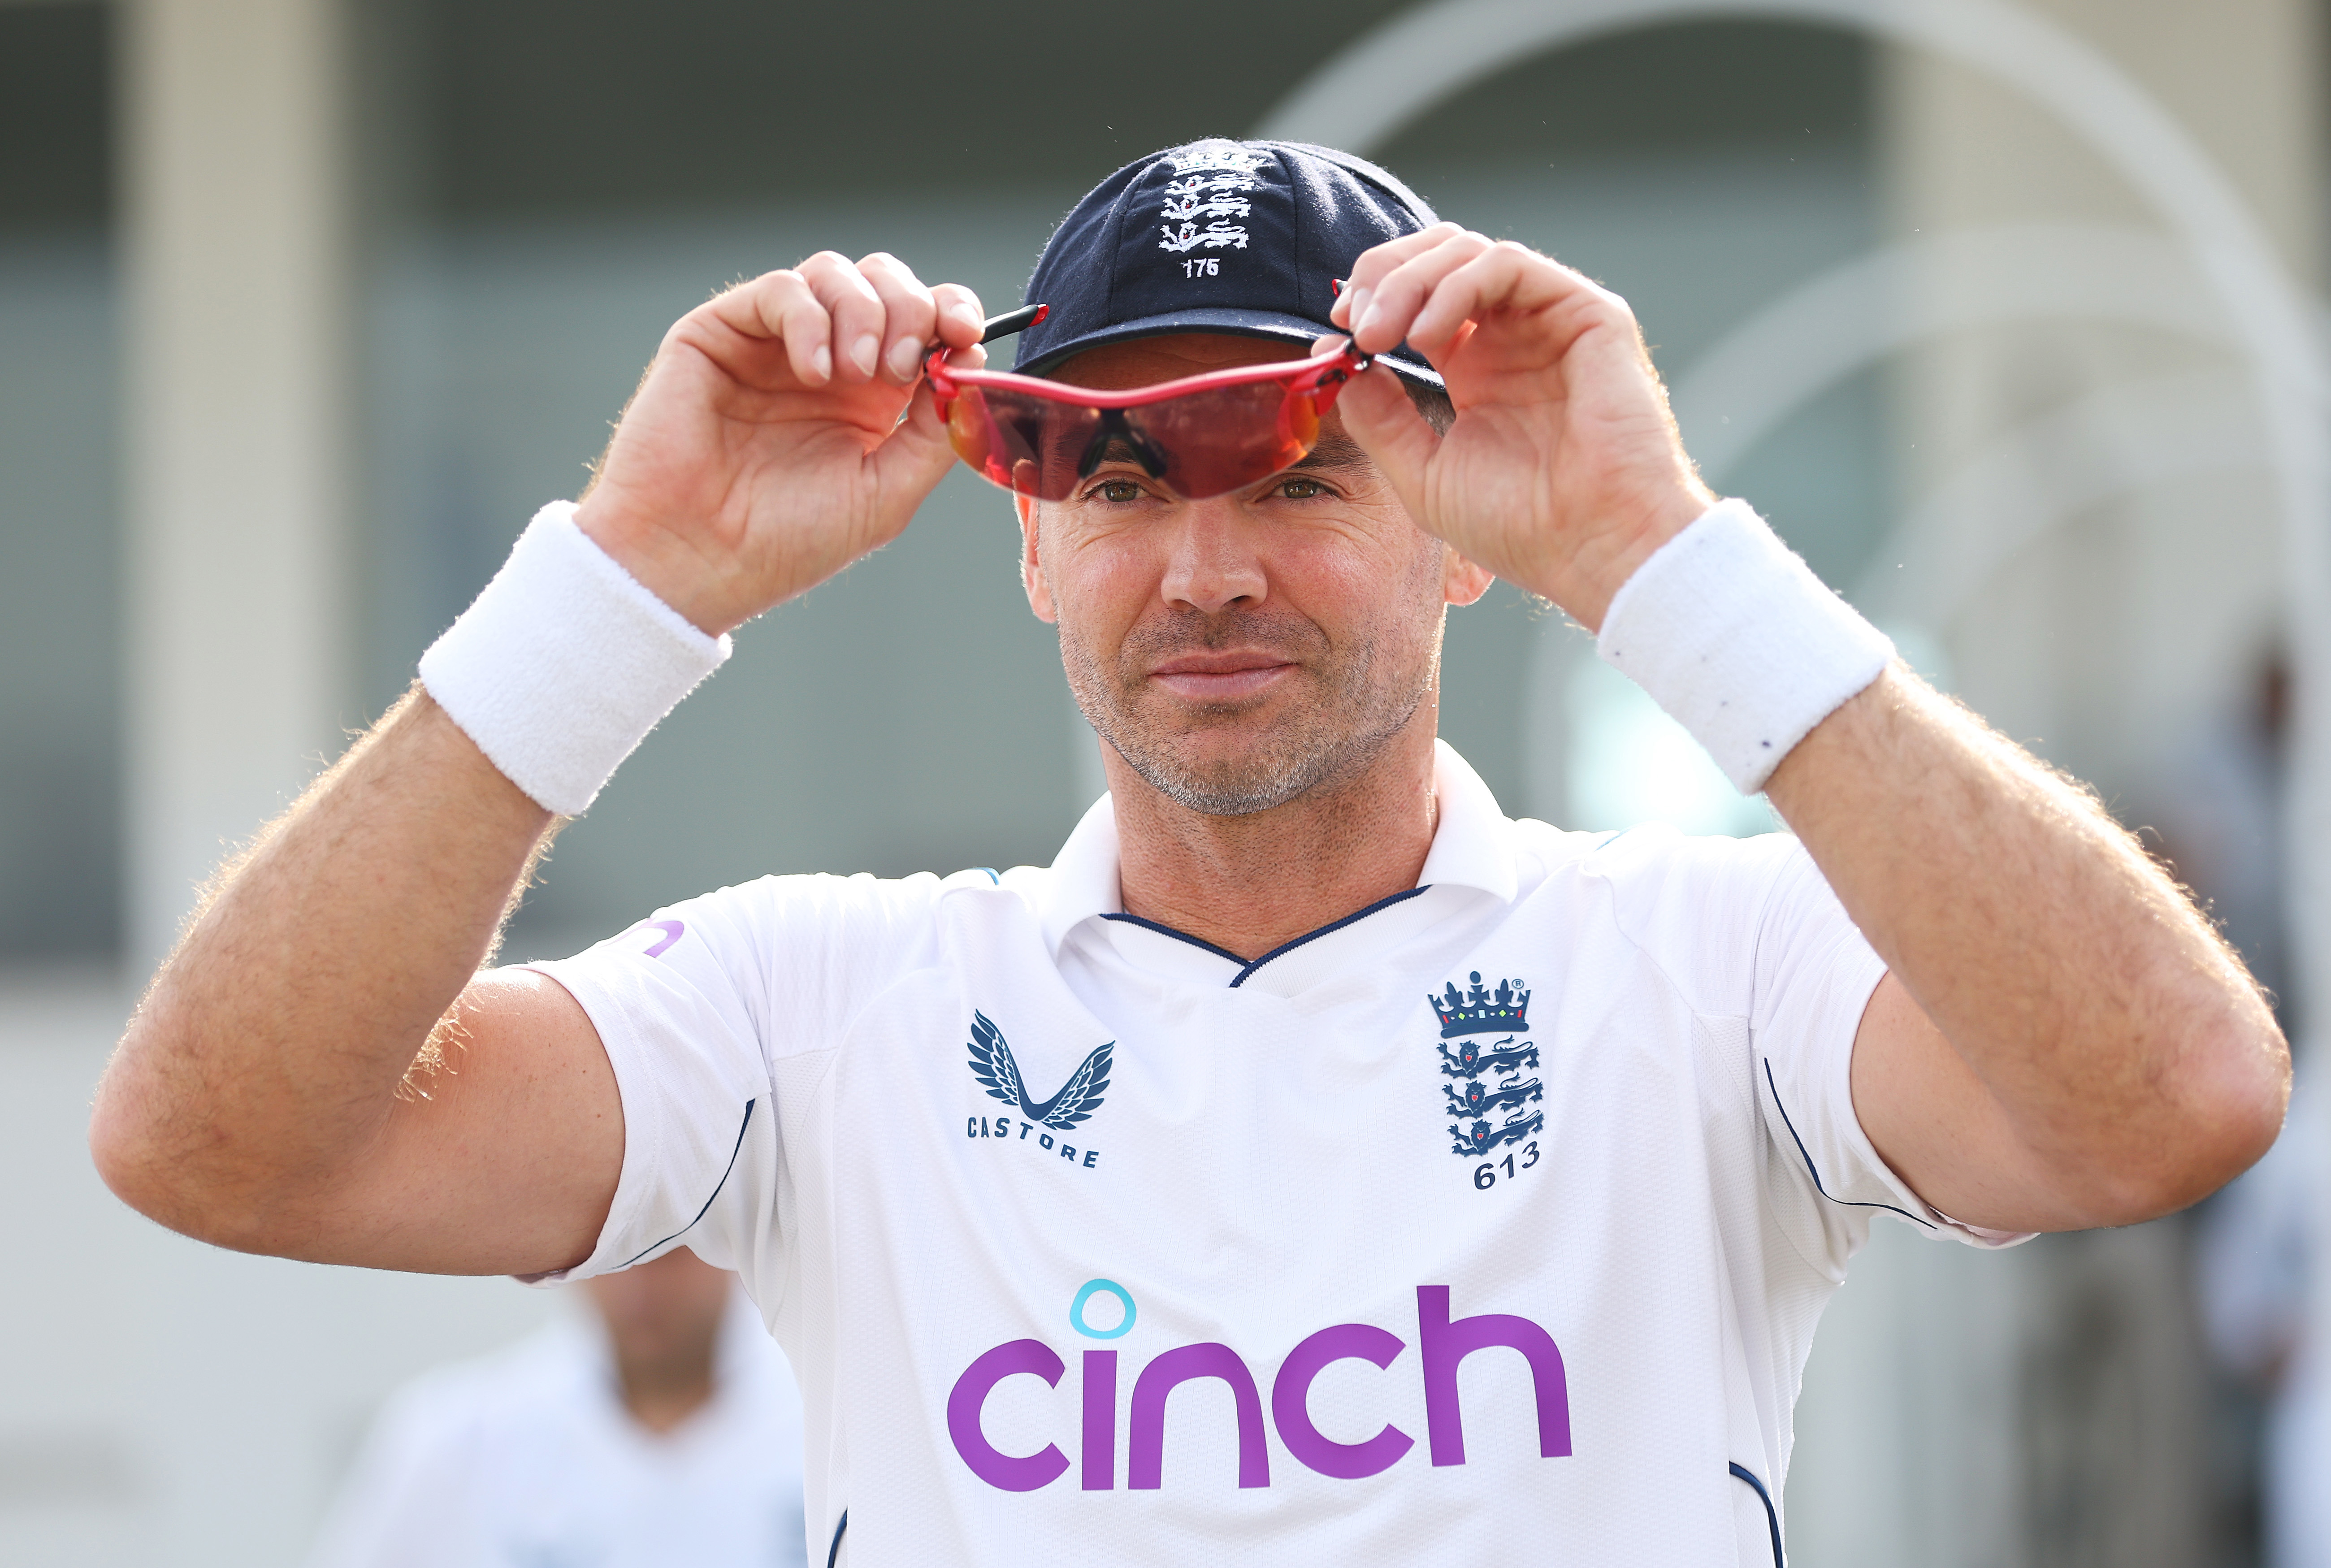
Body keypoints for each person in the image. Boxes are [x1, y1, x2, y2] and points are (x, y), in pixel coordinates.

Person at [91, 139, 2286, 1564]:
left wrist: (1658, 549)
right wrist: (629, 577)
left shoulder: (1701, 964)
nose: (1205, 568)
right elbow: (219, 1146)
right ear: (1027, 547)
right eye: (1121, 485)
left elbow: (2167, 1097)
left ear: (1460, 541)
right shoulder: (825, 1000)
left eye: (1299, 477)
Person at [306, 1247, 807, 1567]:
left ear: (727, 1242)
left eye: (667, 1251)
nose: (636, 1286)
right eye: (612, 1256)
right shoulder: (457, 1440)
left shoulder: (830, 1424)